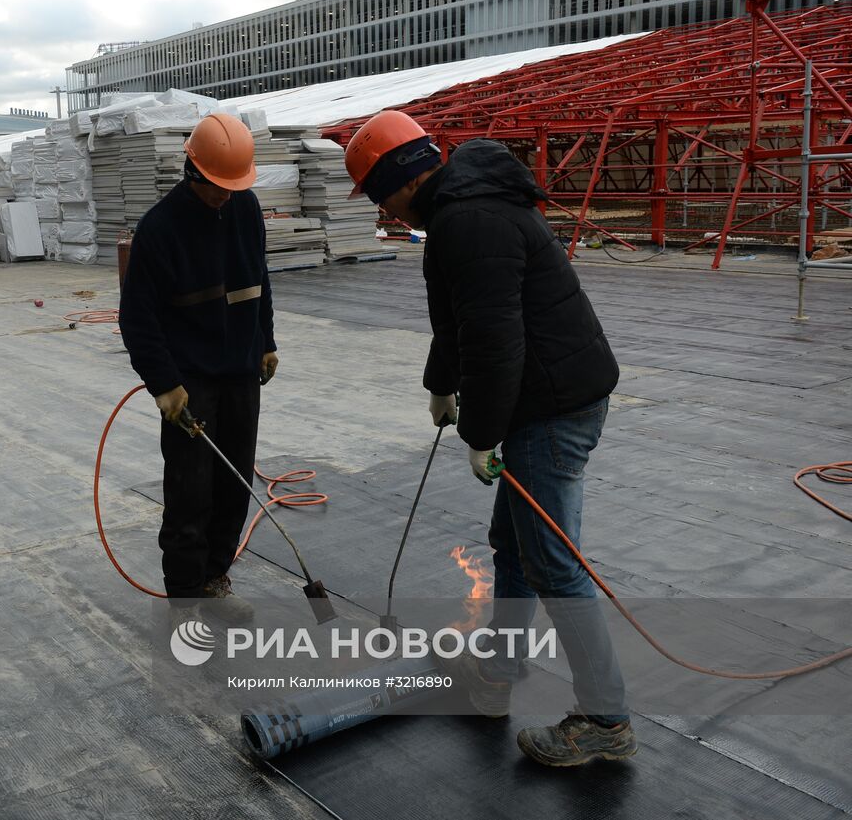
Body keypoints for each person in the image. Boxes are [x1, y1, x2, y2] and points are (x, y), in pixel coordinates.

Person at [345, 111, 636, 767]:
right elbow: (457, 322)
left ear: (397, 177)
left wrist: (481, 432)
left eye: (375, 192)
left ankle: (606, 718)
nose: (381, 209)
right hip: (546, 395)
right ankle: (497, 673)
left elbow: (496, 339)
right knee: (514, 546)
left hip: (553, 407)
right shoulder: (458, 212)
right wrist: (440, 385)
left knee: (555, 563)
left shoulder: (468, 222)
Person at [119, 113, 277, 622]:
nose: (224, 195)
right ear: (193, 171)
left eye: (233, 187)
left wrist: (266, 340)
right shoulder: (160, 228)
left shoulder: (246, 208)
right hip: (191, 382)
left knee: (234, 486)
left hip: (239, 374)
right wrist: (164, 385)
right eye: (216, 186)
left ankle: (214, 578)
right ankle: (185, 596)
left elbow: (260, 280)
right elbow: (137, 318)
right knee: (191, 493)